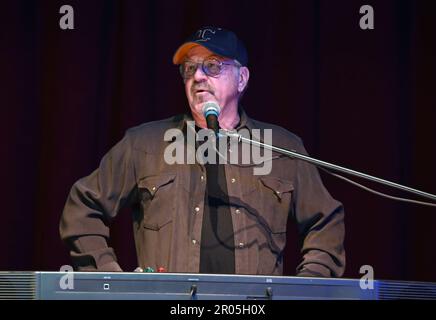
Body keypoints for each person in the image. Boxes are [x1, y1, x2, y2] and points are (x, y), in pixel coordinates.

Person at [60, 27, 345, 277]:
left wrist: (308, 284)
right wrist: (110, 277)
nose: (197, 76)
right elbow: (83, 208)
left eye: (212, 66)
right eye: (189, 67)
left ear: (242, 78)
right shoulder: (143, 144)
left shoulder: (282, 148)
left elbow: (326, 221)